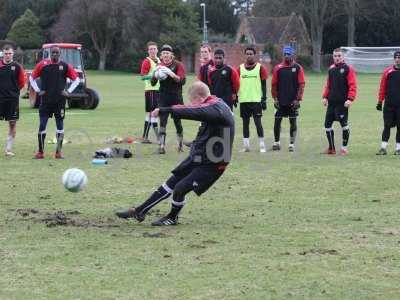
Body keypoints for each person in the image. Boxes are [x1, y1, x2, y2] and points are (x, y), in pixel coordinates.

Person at [116, 81, 235, 226]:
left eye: (193, 102)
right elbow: (209, 129)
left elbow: (193, 112)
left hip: (214, 162)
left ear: (200, 98)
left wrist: (165, 110)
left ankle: (172, 218)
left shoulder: (216, 108)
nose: (192, 105)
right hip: (200, 155)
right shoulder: (214, 104)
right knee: (171, 182)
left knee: (180, 189)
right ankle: (140, 211)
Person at [29, 46, 80, 159]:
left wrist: (68, 91)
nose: (55, 54)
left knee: (60, 126)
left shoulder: (65, 66)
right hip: (45, 102)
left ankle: (58, 153)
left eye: (57, 53)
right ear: (50, 53)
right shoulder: (42, 65)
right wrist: (37, 90)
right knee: (42, 126)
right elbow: (31, 78)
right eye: (53, 53)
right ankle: (40, 152)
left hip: (59, 102)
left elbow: (76, 79)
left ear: (60, 54)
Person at [151, 44, 186, 154]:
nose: (165, 55)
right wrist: (155, 75)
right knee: (163, 122)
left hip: (176, 97)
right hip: (163, 97)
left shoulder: (178, 65)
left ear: (172, 55)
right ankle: (161, 146)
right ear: (161, 56)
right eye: (163, 53)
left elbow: (182, 81)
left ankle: (180, 145)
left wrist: (171, 74)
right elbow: (153, 83)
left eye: (167, 53)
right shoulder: (159, 66)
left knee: (177, 122)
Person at [322, 48, 357, 155]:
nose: (337, 58)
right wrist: (325, 97)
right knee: (327, 125)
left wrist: (350, 99)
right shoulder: (331, 69)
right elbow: (328, 85)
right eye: (335, 56)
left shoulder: (348, 69)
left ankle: (344, 148)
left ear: (343, 57)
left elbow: (353, 85)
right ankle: (331, 148)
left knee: (344, 125)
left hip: (342, 103)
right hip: (331, 103)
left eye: (339, 56)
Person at [271, 46, 305, 152]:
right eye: (285, 54)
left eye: (288, 54)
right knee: (277, 122)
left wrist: (297, 99)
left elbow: (301, 84)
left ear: (292, 55)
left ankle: (291, 144)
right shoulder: (278, 68)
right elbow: (274, 85)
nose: (286, 56)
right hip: (280, 101)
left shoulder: (298, 67)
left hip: (292, 101)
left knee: (293, 122)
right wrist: (275, 98)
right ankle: (276, 143)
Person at [237, 45, 268, 153]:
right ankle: (246, 146)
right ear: (245, 55)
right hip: (244, 100)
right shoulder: (240, 68)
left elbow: (264, 85)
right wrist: (235, 96)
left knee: (258, 123)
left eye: (251, 54)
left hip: (256, 101)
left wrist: (264, 99)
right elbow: (236, 84)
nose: (249, 55)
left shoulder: (261, 68)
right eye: (247, 54)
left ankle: (262, 145)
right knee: (245, 124)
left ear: (254, 55)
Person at [0, 45, 25, 156]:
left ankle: (8, 150)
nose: (8, 55)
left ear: (13, 54)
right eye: (6, 53)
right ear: (2, 54)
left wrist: (14, 93)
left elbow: (22, 83)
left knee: (12, 123)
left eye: (10, 53)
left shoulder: (17, 66)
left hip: (12, 100)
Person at [376, 51, 400, 155]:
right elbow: (382, 87)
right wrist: (380, 101)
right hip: (389, 104)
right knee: (387, 125)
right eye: (396, 57)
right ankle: (383, 148)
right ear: (394, 59)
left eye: (399, 57)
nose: (398, 59)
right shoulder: (387, 71)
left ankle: (398, 149)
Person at [140, 41, 160, 144]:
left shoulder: (159, 60)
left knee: (155, 113)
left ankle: (147, 136)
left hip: (159, 90)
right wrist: (152, 76)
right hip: (151, 90)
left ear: (157, 50)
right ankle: (148, 137)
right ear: (148, 51)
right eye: (150, 49)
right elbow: (142, 76)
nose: (152, 50)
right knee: (152, 113)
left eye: (154, 49)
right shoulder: (146, 61)